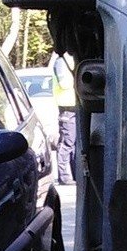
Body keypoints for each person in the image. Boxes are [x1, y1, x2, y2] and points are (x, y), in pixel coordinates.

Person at [51, 51, 77, 186]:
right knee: (67, 143)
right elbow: (64, 84)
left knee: (73, 144)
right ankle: (64, 176)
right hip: (67, 107)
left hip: (74, 107)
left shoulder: (69, 59)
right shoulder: (62, 61)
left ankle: (75, 174)